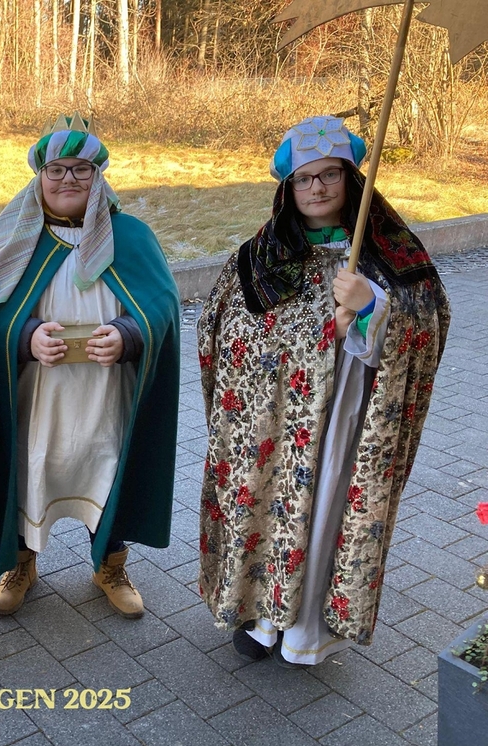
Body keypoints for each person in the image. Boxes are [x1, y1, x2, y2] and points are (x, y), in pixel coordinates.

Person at [197, 116, 450, 667]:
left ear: (350, 179)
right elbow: (227, 335)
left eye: (330, 174)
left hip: (348, 415)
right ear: (288, 188)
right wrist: (315, 335)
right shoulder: (260, 258)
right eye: (304, 178)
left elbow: (428, 321)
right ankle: (261, 617)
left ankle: (306, 629)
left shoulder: (391, 253)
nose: (317, 188)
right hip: (276, 424)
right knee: (269, 506)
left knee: (329, 508)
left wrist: (373, 307)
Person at [0, 113, 180, 620]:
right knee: (30, 468)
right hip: (36, 396)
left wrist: (128, 335)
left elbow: (162, 306)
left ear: (98, 178)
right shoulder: (10, 239)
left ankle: (110, 565)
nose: (68, 179)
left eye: (81, 169)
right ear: (39, 177)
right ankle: (20, 564)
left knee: (104, 466)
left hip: (106, 393)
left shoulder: (131, 237)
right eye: (57, 170)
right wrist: (24, 336)